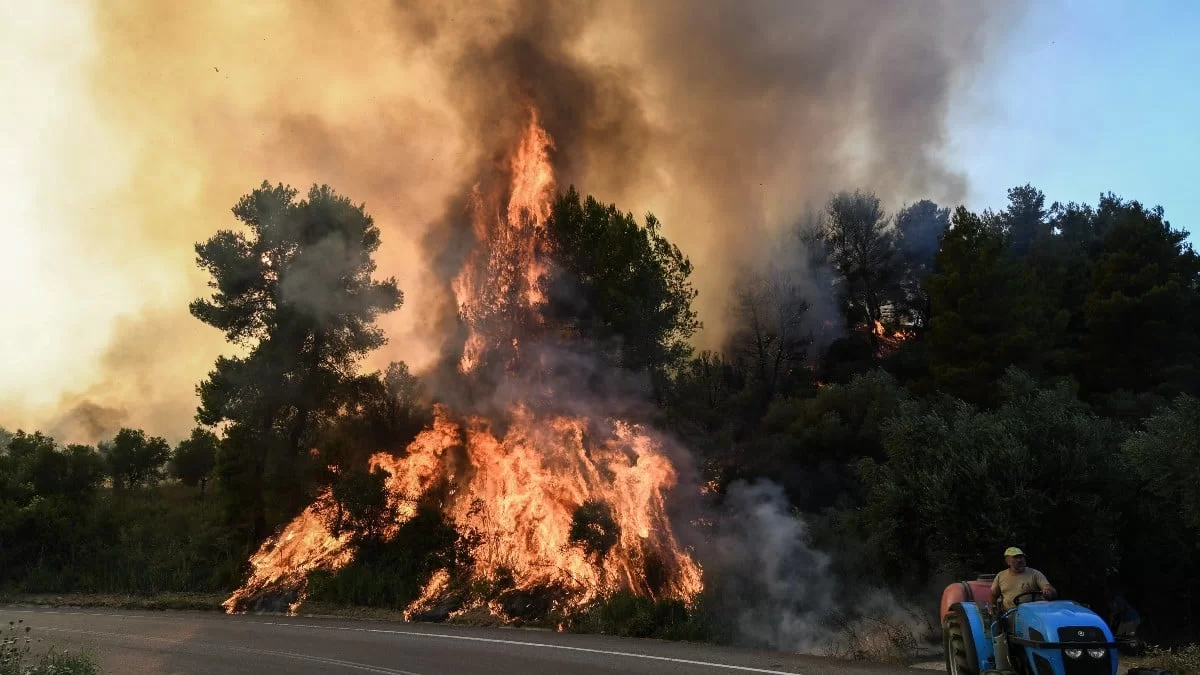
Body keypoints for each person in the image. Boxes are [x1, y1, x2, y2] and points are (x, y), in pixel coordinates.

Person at [991, 546, 1057, 613]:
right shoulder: (1001, 576)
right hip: (1010, 614)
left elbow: (1047, 587)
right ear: (1008, 561)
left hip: (1033, 613)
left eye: (1021, 557)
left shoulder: (1034, 573)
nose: (1020, 560)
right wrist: (993, 606)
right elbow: (994, 594)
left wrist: (1049, 591)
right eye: (1015, 557)